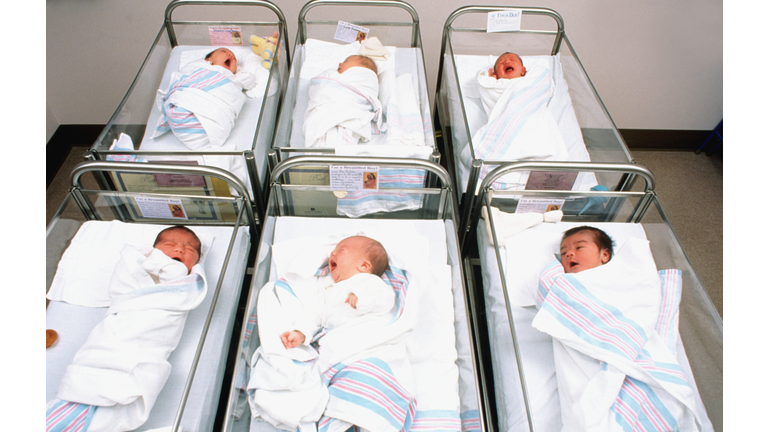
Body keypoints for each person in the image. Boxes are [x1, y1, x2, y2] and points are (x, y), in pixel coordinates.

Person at [280, 235, 391, 349]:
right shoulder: (329, 289)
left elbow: (385, 299)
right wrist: (301, 333)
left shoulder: (369, 281)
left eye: (341, 251)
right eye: (333, 251)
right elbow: (315, 314)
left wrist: (362, 299)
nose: (332, 254)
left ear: (364, 265)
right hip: (337, 342)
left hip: (367, 337)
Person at [303, 54, 383, 148]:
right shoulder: (334, 78)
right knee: (321, 131)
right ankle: (332, 157)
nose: (340, 64)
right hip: (325, 112)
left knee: (343, 134)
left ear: (359, 70)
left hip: (349, 114)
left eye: (346, 62)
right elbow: (319, 87)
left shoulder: (363, 81)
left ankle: (332, 156)